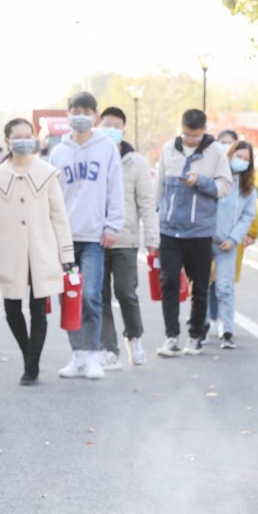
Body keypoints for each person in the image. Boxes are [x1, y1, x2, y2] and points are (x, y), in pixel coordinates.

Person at [0, 122, 74, 384]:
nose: (22, 141)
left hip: (42, 251)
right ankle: (27, 352)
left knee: (38, 309)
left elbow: (59, 217)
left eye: (26, 136)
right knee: (11, 308)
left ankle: (32, 367)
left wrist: (67, 255)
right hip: (10, 252)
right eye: (16, 137)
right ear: (7, 140)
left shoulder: (47, 174)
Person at [45, 92, 124, 379]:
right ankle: (76, 355)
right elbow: (50, 196)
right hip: (64, 237)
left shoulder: (106, 148)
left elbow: (115, 188)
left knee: (91, 295)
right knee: (69, 297)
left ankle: (92, 355)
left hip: (93, 236)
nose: (80, 115)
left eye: (85, 111)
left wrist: (113, 225)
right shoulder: (58, 152)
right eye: (74, 110)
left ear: (94, 115)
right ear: (67, 114)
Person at [154, 108, 225, 358]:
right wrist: (155, 222)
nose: (190, 140)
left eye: (195, 136)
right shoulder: (168, 150)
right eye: (186, 135)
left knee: (200, 286)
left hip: (199, 232)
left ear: (204, 130)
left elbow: (224, 186)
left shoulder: (216, 152)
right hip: (170, 230)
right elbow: (159, 187)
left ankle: (195, 335)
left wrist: (201, 182)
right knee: (169, 281)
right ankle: (171, 336)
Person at [94, 105, 157, 369]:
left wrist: (152, 239)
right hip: (94, 239)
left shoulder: (136, 162)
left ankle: (135, 336)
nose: (111, 130)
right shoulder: (92, 156)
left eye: (116, 126)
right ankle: (109, 348)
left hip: (126, 239)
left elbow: (146, 201)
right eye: (106, 124)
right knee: (100, 295)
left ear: (123, 130)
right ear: (98, 124)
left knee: (125, 291)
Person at [209, 139, 256, 348]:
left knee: (225, 287)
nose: (241, 161)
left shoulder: (248, 190)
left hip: (228, 244)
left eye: (246, 159)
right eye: (239, 156)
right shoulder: (215, 179)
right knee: (201, 285)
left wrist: (233, 239)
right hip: (206, 240)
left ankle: (227, 330)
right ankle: (200, 329)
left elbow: (247, 217)